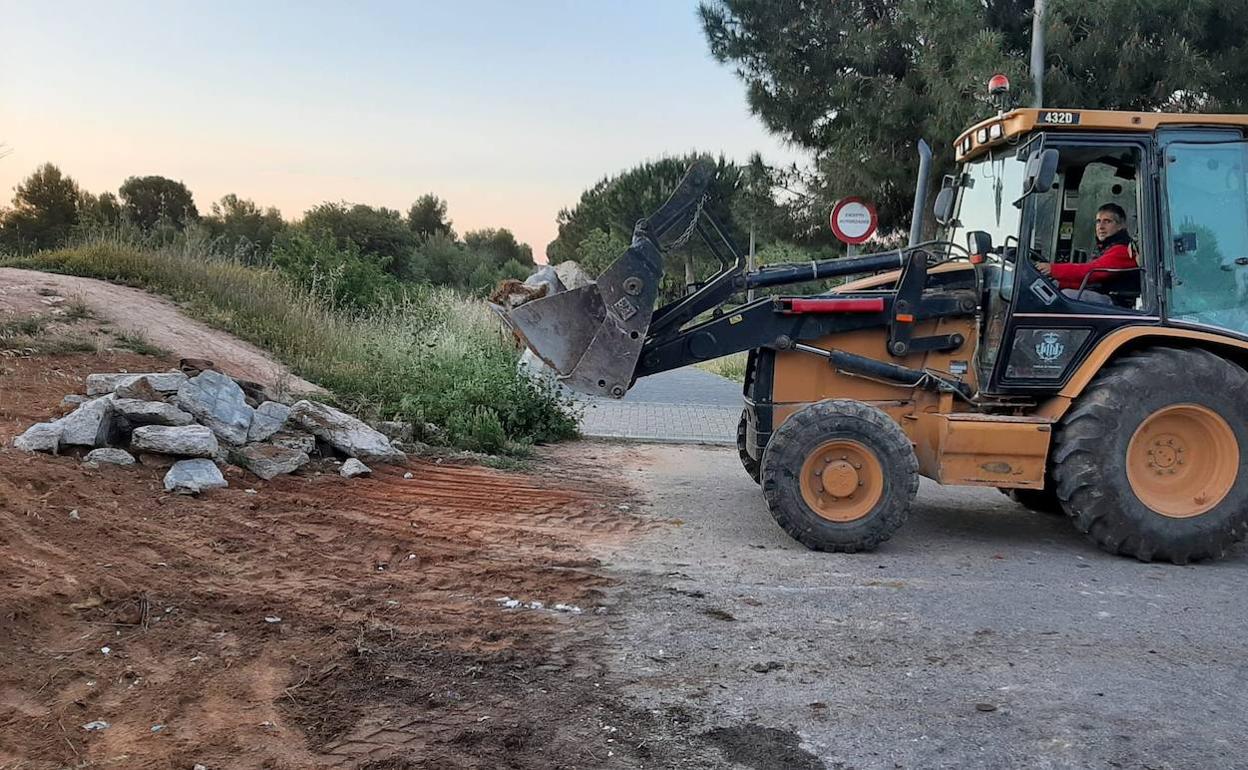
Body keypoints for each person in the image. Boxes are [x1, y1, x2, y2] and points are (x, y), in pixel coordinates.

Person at [1037, 203, 1137, 305]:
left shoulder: (1123, 250)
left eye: (1107, 221)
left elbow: (1091, 272)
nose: (1101, 227)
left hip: (1117, 302)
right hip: (1105, 293)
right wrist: (1059, 283)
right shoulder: (1106, 248)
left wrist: (1053, 269)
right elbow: (1090, 283)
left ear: (1121, 225)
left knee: (1066, 296)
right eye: (1098, 222)